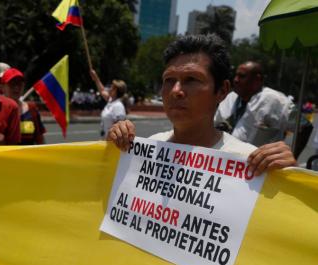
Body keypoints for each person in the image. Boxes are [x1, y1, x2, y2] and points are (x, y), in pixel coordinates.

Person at [108, 34, 296, 177]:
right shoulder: (147, 148)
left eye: (191, 79)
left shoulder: (250, 162)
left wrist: (288, 177)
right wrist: (111, 151)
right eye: (169, 80)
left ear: (222, 90)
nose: (176, 90)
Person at [214, 61, 294, 147]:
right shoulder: (230, 97)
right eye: (236, 75)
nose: (235, 80)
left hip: (259, 159)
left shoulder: (276, 100)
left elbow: (304, 126)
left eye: (242, 76)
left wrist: (293, 155)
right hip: (227, 156)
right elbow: (215, 124)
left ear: (257, 80)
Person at [1, 67, 46, 145]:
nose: (16, 88)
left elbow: (40, 140)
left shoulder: (32, 109)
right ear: (2, 87)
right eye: (12, 84)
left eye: (19, 84)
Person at [90, 69, 127, 139]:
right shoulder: (111, 101)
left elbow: (119, 130)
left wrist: (108, 140)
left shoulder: (118, 106)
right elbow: (102, 90)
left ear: (115, 90)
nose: (109, 88)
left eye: (111, 87)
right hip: (105, 141)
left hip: (112, 144)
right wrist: (96, 78)